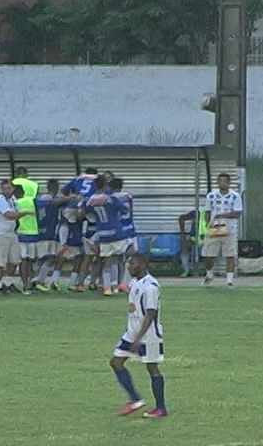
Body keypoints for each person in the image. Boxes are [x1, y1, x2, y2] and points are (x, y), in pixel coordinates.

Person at [109, 254, 167, 418]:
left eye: (132, 263)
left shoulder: (151, 287)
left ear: (143, 264)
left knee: (152, 367)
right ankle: (135, 399)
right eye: (128, 263)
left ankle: (161, 408)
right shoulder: (134, 283)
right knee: (116, 362)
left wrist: (139, 338)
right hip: (131, 333)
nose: (129, 266)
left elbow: (150, 314)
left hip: (148, 336)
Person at [81, 175, 128, 296]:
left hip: (102, 233)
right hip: (116, 231)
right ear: (105, 185)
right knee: (129, 254)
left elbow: (85, 213)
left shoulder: (90, 200)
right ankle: (121, 284)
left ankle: (107, 288)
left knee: (107, 260)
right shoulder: (111, 198)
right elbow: (124, 210)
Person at [0, 179, 34, 295]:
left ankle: (8, 283)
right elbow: (9, 215)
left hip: (11, 233)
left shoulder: (13, 200)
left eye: (9, 188)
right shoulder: (0, 201)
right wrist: (26, 212)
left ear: (13, 189)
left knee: (14, 260)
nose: (7, 191)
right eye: (4, 188)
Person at [32, 179, 77, 290]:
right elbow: (53, 202)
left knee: (43, 258)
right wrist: (69, 198)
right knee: (51, 258)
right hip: (46, 231)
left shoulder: (48, 198)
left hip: (46, 231)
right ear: (52, 187)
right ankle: (39, 280)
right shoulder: (47, 198)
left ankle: (37, 280)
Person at [201, 173, 243, 288]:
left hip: (230, 229)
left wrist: (223, 215)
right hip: (214, 229)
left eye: (225, 181)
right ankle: (209, 274)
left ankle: (229, 279)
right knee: (208, 255)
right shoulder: (211, 196)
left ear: (229, 183)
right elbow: (207, 212)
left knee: (230, 255)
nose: (222, 183)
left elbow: (238, 213)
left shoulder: (235, 196)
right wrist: (207, 225)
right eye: (220, 181)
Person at [110, 177, 135, 292]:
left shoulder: (111, 198)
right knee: (130, 257)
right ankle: (127, 283)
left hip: (118, 231)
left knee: (115, 257)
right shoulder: (128, 196)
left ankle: (115, 283)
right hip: (130, 228)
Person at [177, 209, 206, 277]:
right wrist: (183, 234)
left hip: (206, 237)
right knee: (185, 248)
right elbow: (182, 218)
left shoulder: (213, 213)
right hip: (194, 237)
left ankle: (208, 271)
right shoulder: (197, 212)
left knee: (210, 250)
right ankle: (186, 270)